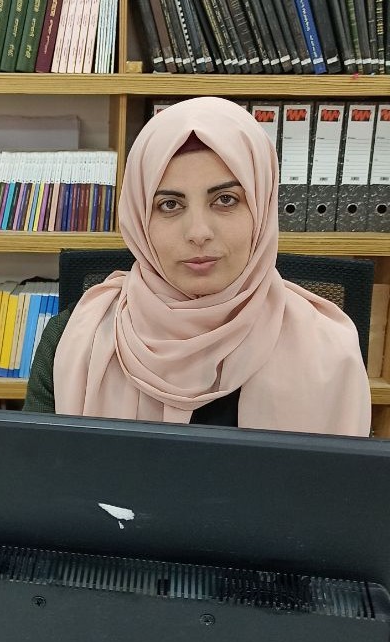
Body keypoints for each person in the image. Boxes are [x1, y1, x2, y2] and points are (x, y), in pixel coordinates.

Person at [24, 96, 371, 436]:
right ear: (140, 219)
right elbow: (38, 468)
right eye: (170, 204)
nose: (198, 233)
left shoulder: (331, 352)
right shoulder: (72, 341)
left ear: (262, 208)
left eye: (225, 199)